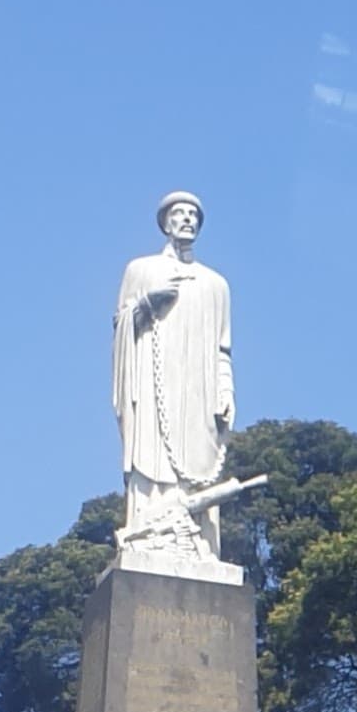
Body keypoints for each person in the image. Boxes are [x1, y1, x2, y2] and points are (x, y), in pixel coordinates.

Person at [111, 191, 235, 555]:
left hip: (198, 394)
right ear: (165, 223)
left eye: (193, 215)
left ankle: (198, 544)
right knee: (152, 458)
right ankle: (149, 535)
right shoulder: (141, 269)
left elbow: (222, 349)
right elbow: (120, 325)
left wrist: (226, 392)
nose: (187, 220)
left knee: (198, 464)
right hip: (154, 388)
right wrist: (148, 302)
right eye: (179, 214)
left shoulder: (216, 285)